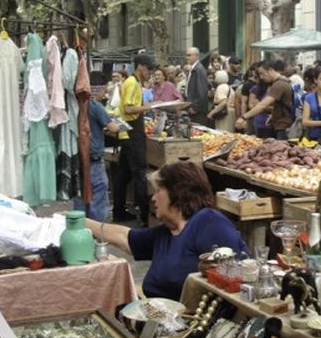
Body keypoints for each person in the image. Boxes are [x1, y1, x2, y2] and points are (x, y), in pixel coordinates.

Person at [86, 160, 247, 301]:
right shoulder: (167, 232)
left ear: (177, 191)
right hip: (159, 317)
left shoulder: (209, 222)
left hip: (192, 325)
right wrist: (79, 222)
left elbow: (235, 279)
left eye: (157, 191)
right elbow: (125, 237)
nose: (153, 198)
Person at [112, 54, 155, 225]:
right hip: (131, 133)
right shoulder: (132, 83)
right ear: (141, 67)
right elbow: (129, 109)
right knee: (139, 174)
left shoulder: (135, 83)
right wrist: (149, 106)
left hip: (129, 132)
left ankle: (118, 211)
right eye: (149, 69)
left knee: (123, 175)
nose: (149, 73)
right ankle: (145, 217)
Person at [74, 82, 120, 222]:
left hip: (76, 156)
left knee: (80, 193)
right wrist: (118, 125)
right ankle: (98, 230)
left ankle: (80, 227)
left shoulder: (74, 106)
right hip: (93, 157)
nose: (104, 94)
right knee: (98, 192)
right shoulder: (95, 106)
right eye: (103, 91)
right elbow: (113, 128)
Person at [235, 59, 294, 140]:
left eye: (262, 73)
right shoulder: (280, 82)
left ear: (270, 70)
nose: (261, 77)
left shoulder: (280, 84)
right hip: (279, 124)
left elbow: (262, 105)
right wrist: (273, 115)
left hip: (283, 127)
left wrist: (244, 117)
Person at [184, 47, 210, 126]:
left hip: (198, 112)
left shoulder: (199, 70)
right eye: (187, 55)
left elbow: (202, 91)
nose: (187, 58)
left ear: (196, 56)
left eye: (189, 55)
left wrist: (195, 107)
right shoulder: (193, 69)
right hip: (191, 108)